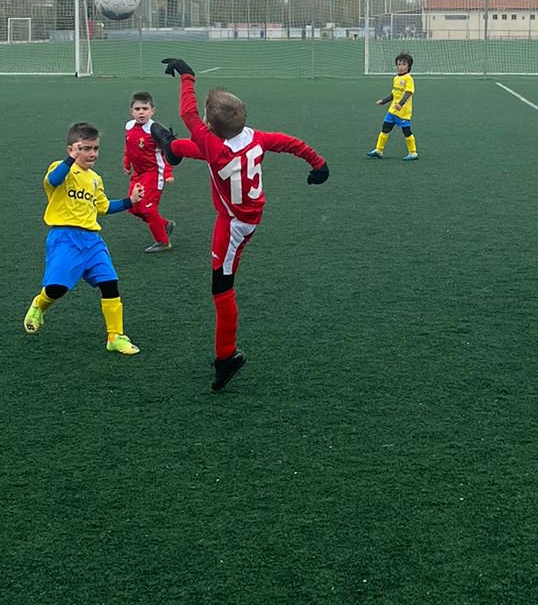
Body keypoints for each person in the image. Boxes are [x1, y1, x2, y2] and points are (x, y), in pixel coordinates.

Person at [161, 57, 328, 392]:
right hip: (247, 214)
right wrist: (318, 163)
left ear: (210, 126)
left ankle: (227, 356)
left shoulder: (214, 146)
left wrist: (187, 77)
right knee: (221, 286)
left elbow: (188, 115)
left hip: (235, 225)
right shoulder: (254, 137)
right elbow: (289, 142)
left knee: (221, 289)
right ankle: (226, 353)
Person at [22, 122, 139, 355]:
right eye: (85, 148)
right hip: (65, 238)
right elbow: (53, 180)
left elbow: (103, 207)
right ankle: (39, 304)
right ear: (71, 149)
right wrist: (70, 160)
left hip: (92, 240)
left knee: (110, 283)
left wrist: (130, 201)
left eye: (95, 148)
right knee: (56, 289)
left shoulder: (95, 178)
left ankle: (115, 336)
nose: (92, 153)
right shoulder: (61, 168)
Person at [121, 90, 178, 252]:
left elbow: (167, 152)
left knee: (148, 208)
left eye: (145, 109)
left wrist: (168, 173)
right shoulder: (129, 126)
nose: (141, 112)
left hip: (154, 173)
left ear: (152, 111)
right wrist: (127, 164)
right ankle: (164, 224)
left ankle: (163, 241)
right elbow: (129, 148)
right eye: (137, 109)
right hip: (138, 174)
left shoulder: (155, 130)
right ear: (131, 111)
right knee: (133, 207)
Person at [368, 52, 418, 159]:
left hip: (403, 112)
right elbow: (394, 94)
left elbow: (408, 93)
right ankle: (379, 150)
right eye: (399, 64)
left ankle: (413, 152)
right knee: (385, 128)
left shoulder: (408, 79)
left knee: (406, 132)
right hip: (392, 110)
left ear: (409, 66)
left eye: (404, 64)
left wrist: (400, 104)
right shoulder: (396, 78)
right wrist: (383, 101)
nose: (401, 67)